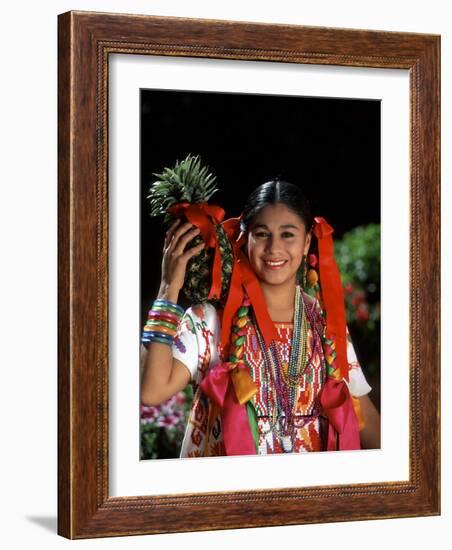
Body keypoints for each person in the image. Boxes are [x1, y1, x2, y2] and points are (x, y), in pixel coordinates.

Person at [140, 179, 380, 457]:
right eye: (262, 234)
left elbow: (363, 417)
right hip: (232, 498)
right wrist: (168, 288)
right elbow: (151, 391)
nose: (274, 248)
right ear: (245, 239)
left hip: (308, 496)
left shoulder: (325, 321)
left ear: (306, 242)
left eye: (288, 234)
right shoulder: (209, 320)